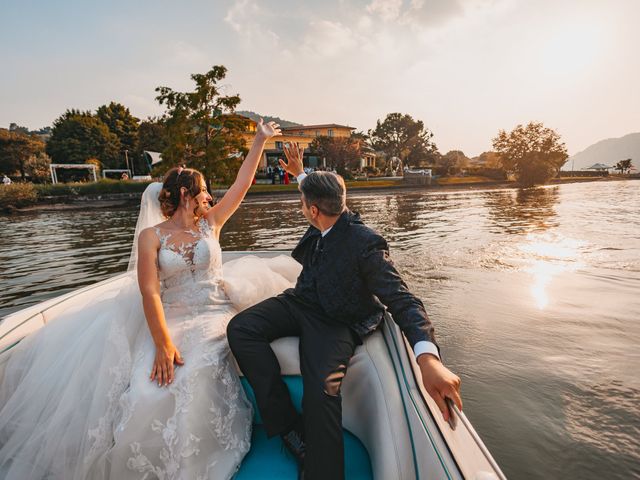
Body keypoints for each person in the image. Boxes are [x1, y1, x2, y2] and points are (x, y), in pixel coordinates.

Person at [0, 119, 284, 479]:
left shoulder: (210, 223)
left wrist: (259, 140)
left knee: (194, 369)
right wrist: (163, 344)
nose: (208, 195)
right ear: (186, 193)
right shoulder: (151, 237)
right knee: (149, 387)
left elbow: (243, 183)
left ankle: (195, 464)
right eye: (202, 190)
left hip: (214, 311)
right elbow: (150, 291)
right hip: (173, 315)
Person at [227, 142, 463, 480]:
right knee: (241, 329)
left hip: (337, 321)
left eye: (303, 204)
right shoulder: (327, 211)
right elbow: (314, 193)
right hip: (301, 301)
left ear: (312, 211)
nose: (303, 209)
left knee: (321, 391)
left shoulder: (365, 243)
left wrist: (429, 359)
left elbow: (403, 300)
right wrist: (301, 175)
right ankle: (289, 428)